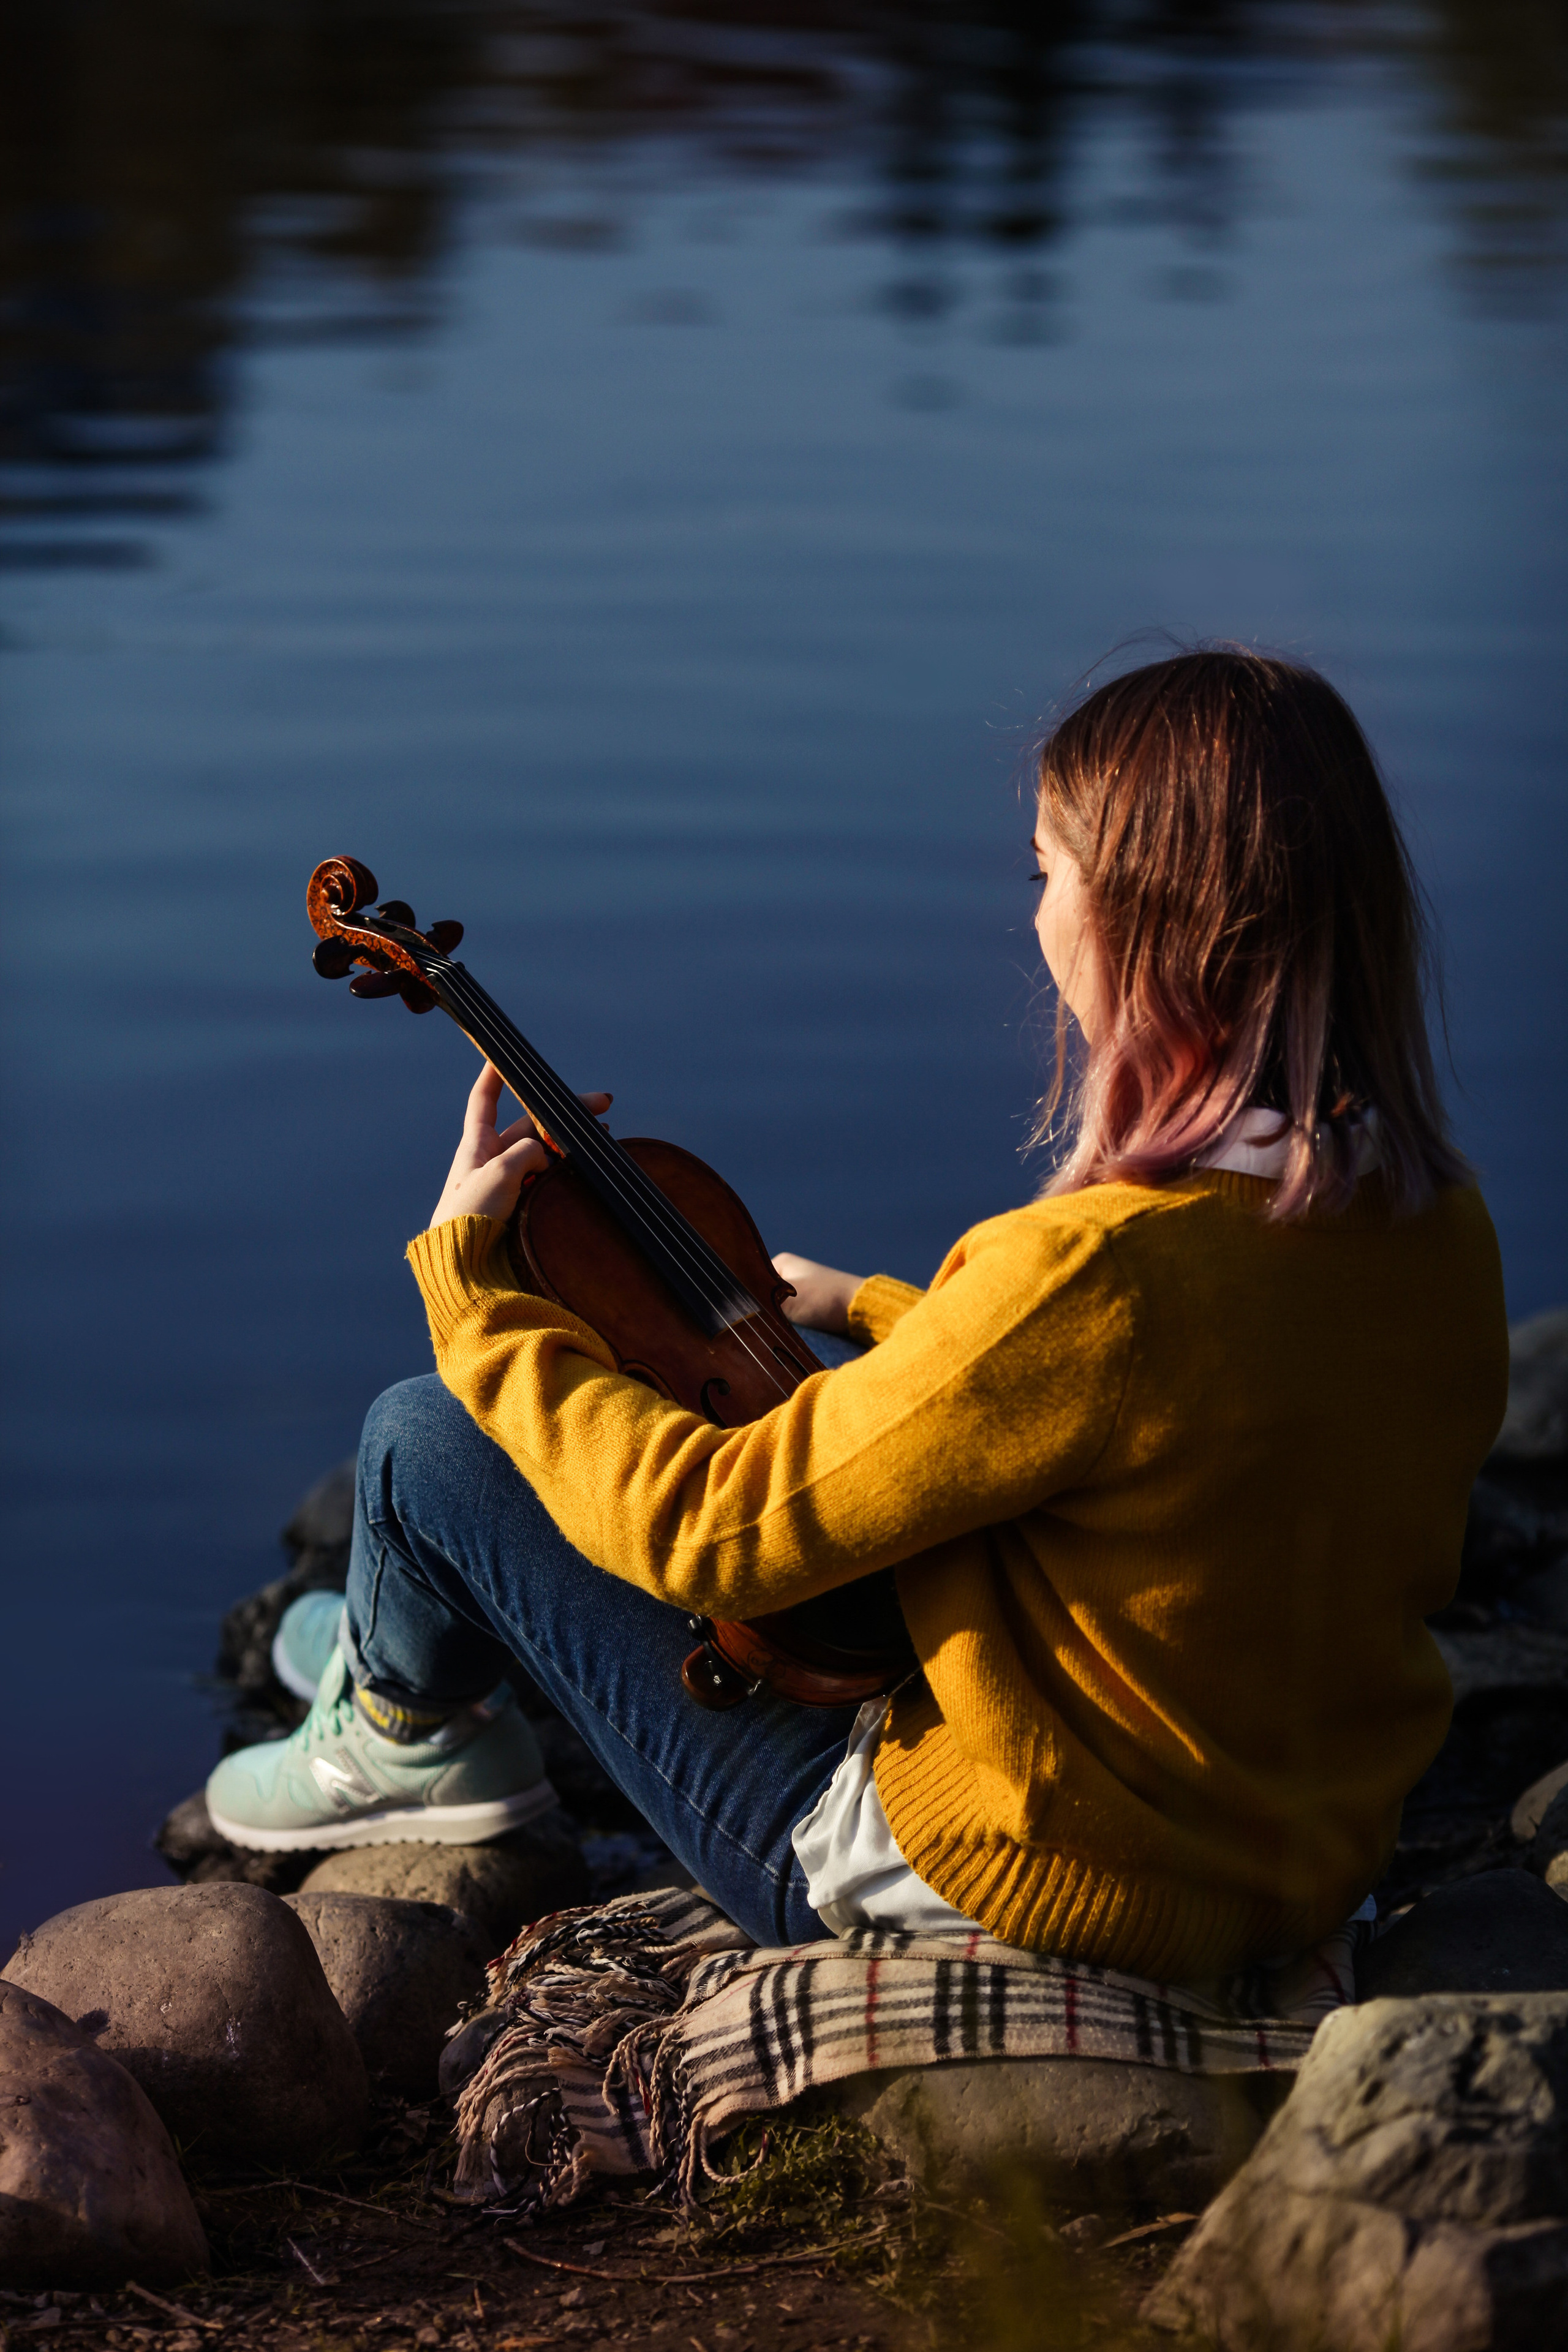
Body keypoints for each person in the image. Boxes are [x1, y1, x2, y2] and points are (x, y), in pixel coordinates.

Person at [209, 649, 1508, 1979]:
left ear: (1145, 920)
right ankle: (405, 1648)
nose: (1036, 915)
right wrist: (876, 1308)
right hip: (1300, 1849)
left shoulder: (1088, 1276)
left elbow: (710, 1533)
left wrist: (477, 1292)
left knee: (429, 1441)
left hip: (1036, 1871)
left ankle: (401, 1731)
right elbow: (1166, 1417)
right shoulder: (1430, 1225)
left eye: (1043, 873)